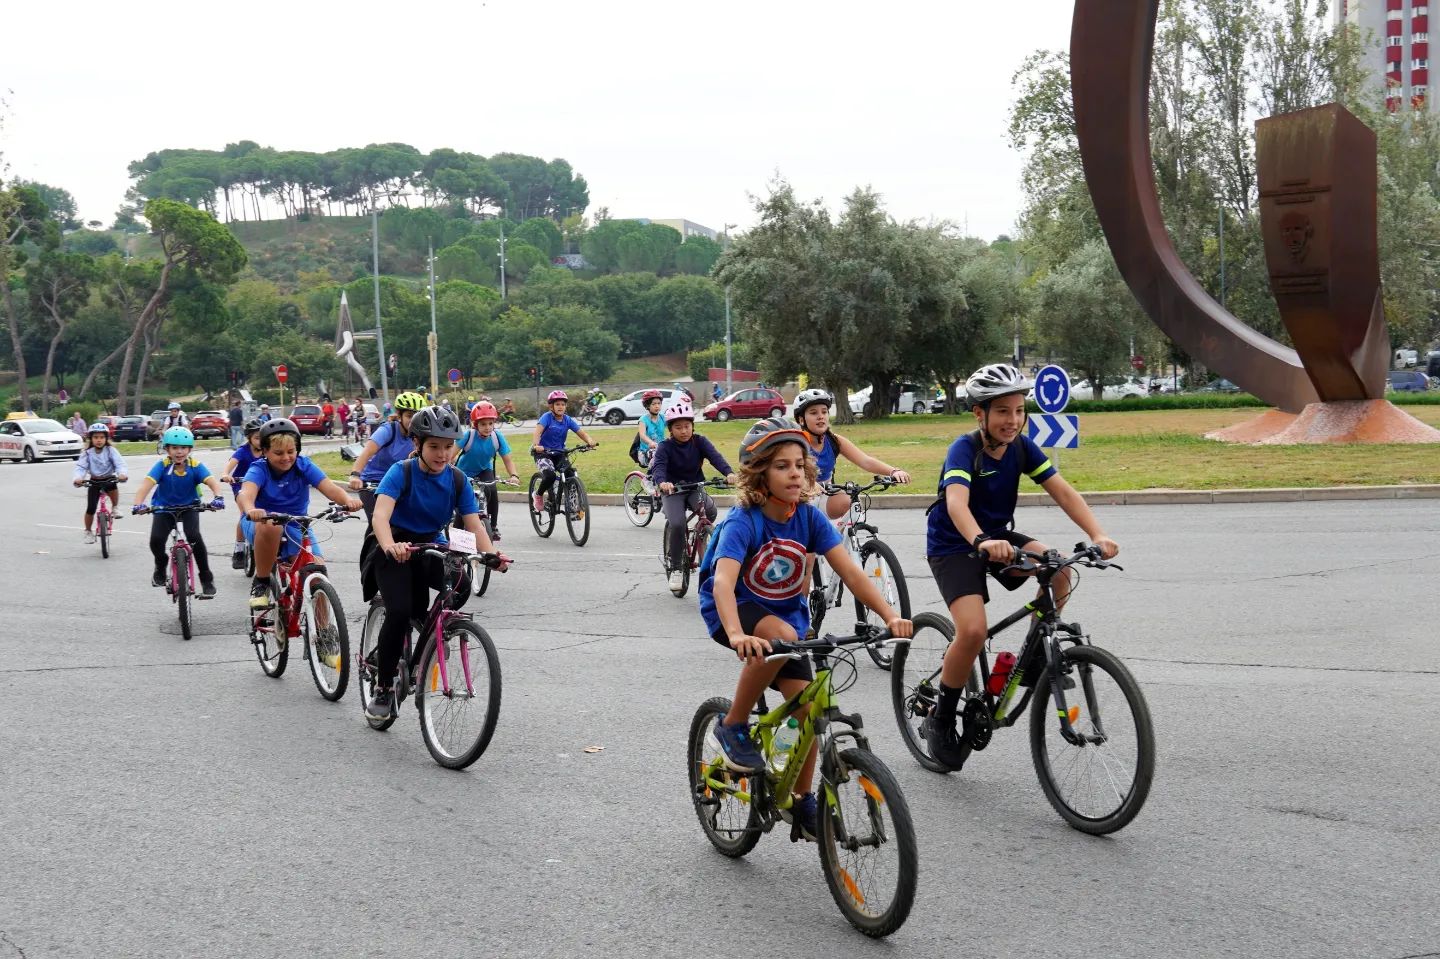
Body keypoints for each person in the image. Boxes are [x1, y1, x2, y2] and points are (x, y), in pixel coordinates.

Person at [696, 417, 912, 837]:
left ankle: (800, 799)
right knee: (782, 637)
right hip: (736, 611)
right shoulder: (745, 521)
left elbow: (851, 573)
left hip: (786, 621)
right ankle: (733, 724)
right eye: (781, 466)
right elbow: (722, 582)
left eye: (800, 464)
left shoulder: (809, 520)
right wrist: (739, 634)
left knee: (809, 709)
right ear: (759, 474)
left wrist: (889, 616)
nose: (795, 472)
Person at [921, 363, 1120, 770]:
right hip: (955, 544)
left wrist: (1099, 535)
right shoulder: (964, 449)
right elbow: (957, 503)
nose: (1013, 420)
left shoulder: (1022, 447)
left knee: (1060, 568)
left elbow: (1061, 490)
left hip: (997, 537)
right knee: (973, 630)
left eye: (1018, 410)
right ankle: (941, 717)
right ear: (980, 414)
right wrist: (980, 541)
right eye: (1002, 412)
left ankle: (1031, 659)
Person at [365, 406, 510, 720]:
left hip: (430, 543)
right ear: (417, 444)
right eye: (434, 446)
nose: (442, 454)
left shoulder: (456, 479)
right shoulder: (401, 472)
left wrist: (491, 556)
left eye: (447, 446)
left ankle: (434, 634)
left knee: (461, 584)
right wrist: (390, 545)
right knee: (401, 611)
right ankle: (384, 686)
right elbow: (380, 516)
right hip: (395, 545)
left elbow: (473, 523)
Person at [238, 418, 362, 611]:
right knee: (271, 525)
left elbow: (328, 486)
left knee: (317, 574)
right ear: (265, 451)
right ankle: (261, 582)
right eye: (278, 453)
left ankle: (324, 634)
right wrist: (251, 509)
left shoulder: (303, 465)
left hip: (296, 524)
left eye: (291, 451)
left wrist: (347, 500)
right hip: (261, 522)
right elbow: (246, 493)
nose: (286, 458)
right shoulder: (259, 469)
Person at [651, 398, 735, 593]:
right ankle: (677, 567)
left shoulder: (700, 442)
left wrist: (729, 473)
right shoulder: (665, 446)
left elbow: (716, 458)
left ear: (693, 426)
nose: (684, 430)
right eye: (678, 427)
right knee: (678, 524)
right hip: (673, 491)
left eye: (687, 426)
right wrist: (662, 482)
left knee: (710, 512)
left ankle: (700, 536)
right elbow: (659, 467)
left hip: (694, 487)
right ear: (671, 430)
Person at [131, 427, 225, 597]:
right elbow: (145, 486)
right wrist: (138, 504)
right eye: (174, 448)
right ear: (167, 449)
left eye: (183, 448)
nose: (179, 452)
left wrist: (218, 497)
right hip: (163, 509)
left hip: (190, 507)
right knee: (156, 540)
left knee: (194, 536)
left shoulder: (196, 466)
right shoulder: (161, 466)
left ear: (190, 449)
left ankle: (206, 577)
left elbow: (212, 482)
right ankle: (161, 564)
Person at [792, 388, 911, 520]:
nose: (821, 416)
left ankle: (850, 539)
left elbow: (865, 461)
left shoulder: (834, 441)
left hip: (825, 494)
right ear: (801, 420)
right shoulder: (795, 444)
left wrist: (894, 471)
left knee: (852, 503)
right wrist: (809, 484)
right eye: (813, 413)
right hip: (799, 498)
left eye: (824, 412)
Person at [452, 401, 520, 540]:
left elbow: (508, 460)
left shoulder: (497, 437)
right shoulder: (468, 436)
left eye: (490, 423)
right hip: (463, 471)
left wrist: (514, 475)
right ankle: (457, 536)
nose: (488, 428)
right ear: (475, 424)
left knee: (492, 490)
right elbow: (451, 455)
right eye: (483, 424)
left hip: (484, 469)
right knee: (464, 501)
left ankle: (493, 527)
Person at [528, 391, 598, 513]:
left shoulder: (567, 420)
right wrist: (536, 445)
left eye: (563, 404)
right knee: (550, 475)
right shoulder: (546, 417)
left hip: (559, 453)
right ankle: (538, 495)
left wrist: (589, 441)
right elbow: (537, 432)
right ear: (551, 407)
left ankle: (573, 508)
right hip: (543, 453)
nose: (560, 406)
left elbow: (581, 432)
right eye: (557, 404)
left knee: (571, 474)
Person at [349, 391, 427, 499]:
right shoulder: (388, 430)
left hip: (399, 483)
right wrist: (355, 475)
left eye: (417, 416)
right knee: (381, 516)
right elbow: (366, 453)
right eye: (409, 416)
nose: (413, 421)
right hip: (375, 482)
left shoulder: (420, 436)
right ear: (399, 415)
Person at [219, 418, 264, 569]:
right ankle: (239, 549)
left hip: (260, 486)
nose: (260, 441)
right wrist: (226, 474)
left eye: (263, 438)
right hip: (240, 485)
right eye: (257, 438)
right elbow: (230, 464)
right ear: (249, 438)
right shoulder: (243, 451)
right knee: (245, 513)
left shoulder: (267, 451)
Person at [73, 423, 127, 543]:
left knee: (113, 485)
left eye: (102, 437)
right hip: (94, 481)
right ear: (91, 439)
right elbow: (81, 467)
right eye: (96, 437)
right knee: (91, 508)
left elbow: (120, 464)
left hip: (109, 479)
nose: (99, 440)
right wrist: (78, 478)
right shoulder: (87, 453)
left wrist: (122, 474)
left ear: (106, 438)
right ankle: (88, 531)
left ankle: (115, 508)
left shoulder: (111, 451)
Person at [632, 390, 666, 468]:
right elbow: (642, 435)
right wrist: (650, 442)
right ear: (647, 406)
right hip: (646, 452)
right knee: (658, 463)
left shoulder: (662, 418)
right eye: (653, 404)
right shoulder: (643, 420)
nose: (657, 406)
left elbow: (672, 427)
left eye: (659, 403)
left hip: (660, 449)